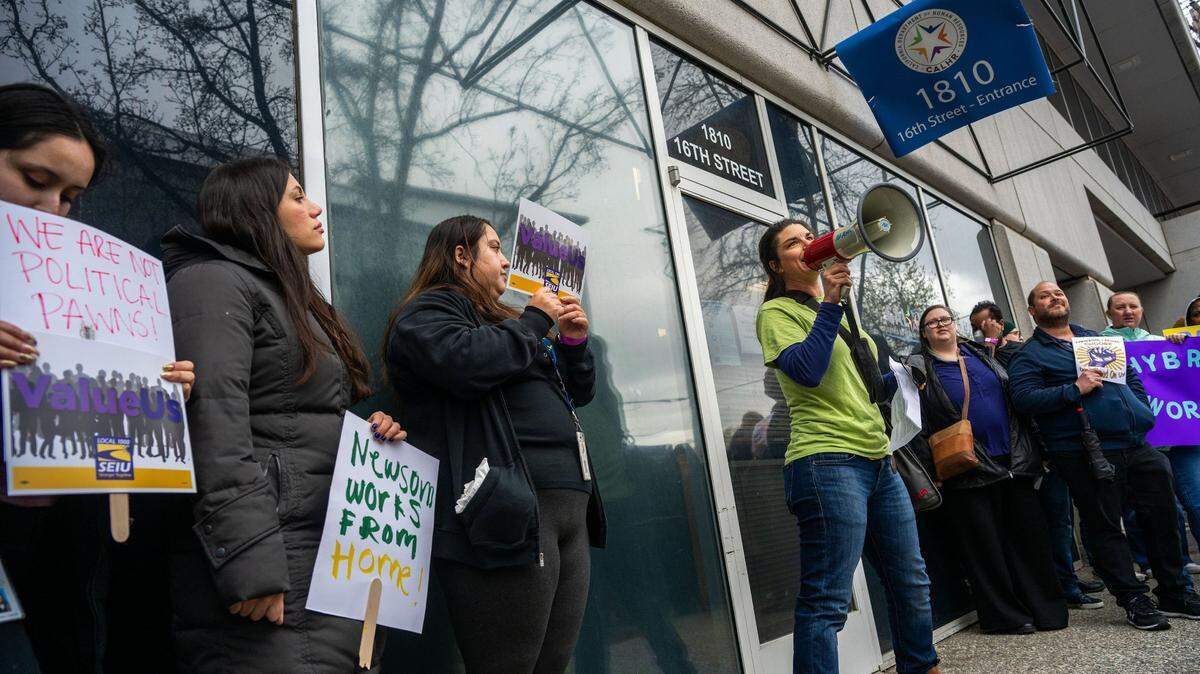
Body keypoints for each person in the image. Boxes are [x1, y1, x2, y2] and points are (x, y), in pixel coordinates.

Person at [161, 157, 405, 671]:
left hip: (318, 557)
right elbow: (215, 421)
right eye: (297, 197)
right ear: (255, 209)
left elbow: (293, 419)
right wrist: (249, 563)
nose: (316, 209)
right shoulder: (213, 281)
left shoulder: (285, 296)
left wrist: (369, 437)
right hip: (272, 564)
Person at [0, 82, 195, 672]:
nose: (52, 208)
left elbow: (103, 455)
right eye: (35, 180)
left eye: (69, 196)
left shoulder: (67, 283)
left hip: (48, 557)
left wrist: (149, 397)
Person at [383, 215, 605, 673]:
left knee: (553, 663)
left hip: (568, 510)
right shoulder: (426, 312)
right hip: (506, 514)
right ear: (461, 255)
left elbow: (576, 394)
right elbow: (465, 363)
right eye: (495, 248)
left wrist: (572, 345)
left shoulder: (509, 322)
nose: (507, 261)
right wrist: (536, 320)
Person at [754, 219, 938, 674]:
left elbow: (867, 386)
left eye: (807, 235)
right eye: (793, 243)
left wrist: (904, 376)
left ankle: (923, 666)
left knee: (911, 582)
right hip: (826, 461)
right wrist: (831, 304)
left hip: (879, 460)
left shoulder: (843, 315)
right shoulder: (777, 314)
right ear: (777, 265)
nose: (807, 244)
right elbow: (808, 371)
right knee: (827, 599)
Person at [1008, 281, 1200, 630]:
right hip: (1083, 452)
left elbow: (1131, 377)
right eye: (1044, 296)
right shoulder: (1029, 354)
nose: (1055, 296)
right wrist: (1073, 389)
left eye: (1058, 293)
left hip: (1136, 443)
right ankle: (1134, 598)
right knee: (1106, 526)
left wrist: (1142, 410)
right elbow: (1024, 400)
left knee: (1164, 516)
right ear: (1033, 312)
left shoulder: (1093, 338)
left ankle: (1175, 592)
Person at [906, 305, 1066, 634]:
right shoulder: (919, 367)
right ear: (924, 333)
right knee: (985, 549)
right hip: (966, 468)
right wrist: (929, 466)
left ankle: (1047, 612)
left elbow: (1019, 395)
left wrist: (1040, 448)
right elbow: (915, 424)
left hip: (1013, 460)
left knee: (1030, 541)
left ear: (955, 324)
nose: (940, 325)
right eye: (931, 322)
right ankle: (1006, 617)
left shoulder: (983, 353)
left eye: (945, 319)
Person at [1100, 291, 1200, 577]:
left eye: (1133, 306)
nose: (1127, 311)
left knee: (1177, 505)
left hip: (1175, 437)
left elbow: (1183, 379)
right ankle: (1145, 560)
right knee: (1135, 506)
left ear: (1142, 310)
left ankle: (1180, 558)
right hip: (1135, 438)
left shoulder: (1157, 343)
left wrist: (1179, 343)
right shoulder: (1101, 345)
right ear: (1110, 313)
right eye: (1120, 307)